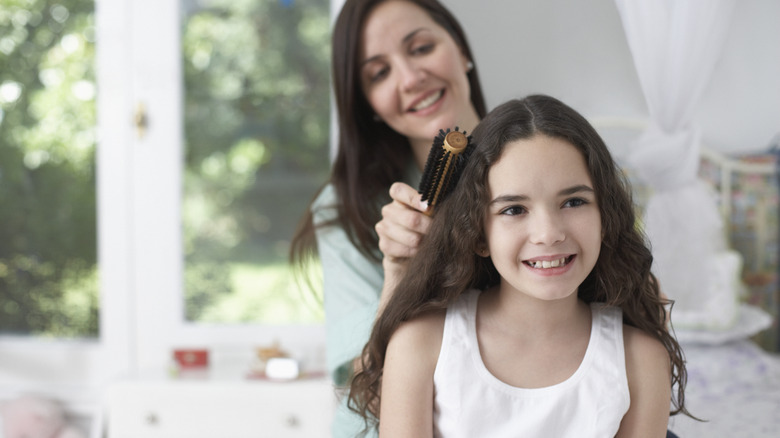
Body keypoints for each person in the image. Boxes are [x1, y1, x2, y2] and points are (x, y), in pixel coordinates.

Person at [348, 95, 691, 437]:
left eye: (574, 202)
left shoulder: (640, 361)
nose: (549, 233)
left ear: (606, 218)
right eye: (514, 210)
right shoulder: (421, 345)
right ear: (477, 234)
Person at [288, 0, 487, 435]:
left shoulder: (549, 161)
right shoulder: (345, 210)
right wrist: (399, 276)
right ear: (368, 104)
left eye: (421, 48)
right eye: (379, 73)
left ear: (461, 49)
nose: (411, 79)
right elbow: (372, 394)